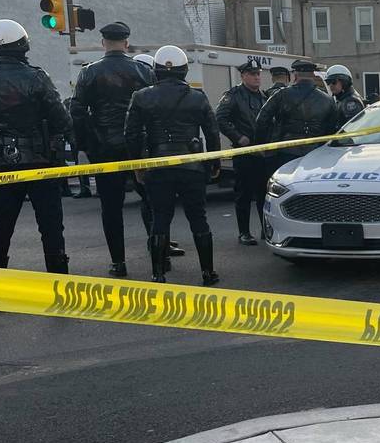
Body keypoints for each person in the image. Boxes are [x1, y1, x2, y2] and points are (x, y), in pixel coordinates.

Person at [0, 19, 72, 272]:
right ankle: (59, 279)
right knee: (50, 224)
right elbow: (61, 119)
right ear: (23, 45)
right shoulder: (36, 77)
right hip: (40, 161)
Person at [73, 21, 164, 277]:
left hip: (105, 148)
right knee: (152, 203)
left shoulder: (89, 72)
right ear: (126, 43)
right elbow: (156, 109)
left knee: (111, 208)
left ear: (103, 43)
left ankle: (119, 262)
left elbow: (77, 112)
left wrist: (85, 144)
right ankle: (159, 257)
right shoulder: (144, 71)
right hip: (139, 147)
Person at [124, 46, 221, 285]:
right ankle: (207, 273)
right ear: (184, 70)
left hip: (158, 165)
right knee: (198, 217)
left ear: (156, 70)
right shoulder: (198, 97)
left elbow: (131, 134)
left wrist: (137, 164)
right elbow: (212, 132)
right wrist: (214, 162)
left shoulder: (141, 96)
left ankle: (158, 273)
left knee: (160, 217)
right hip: (192, 165)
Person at [253, 59, 340, 183]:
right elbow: (332, 129)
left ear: (295, 75)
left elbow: (261, 120)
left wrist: (260, 145)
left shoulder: (281, 95)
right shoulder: (328, 100)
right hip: (315, 153)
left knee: (284, 186)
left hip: (286, 151)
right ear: (313, 75)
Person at [215, 60, 266, 246]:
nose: (257, 77)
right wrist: (238, 137)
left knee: (264, 194)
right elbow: (220, 118)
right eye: (253, 74)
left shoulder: (264, 96)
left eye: (258, 74)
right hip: (244, 153)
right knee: (244, 194)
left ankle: (265, 229)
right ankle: (244, 232)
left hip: (262, 153)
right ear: (243, 76)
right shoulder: (233, 95)